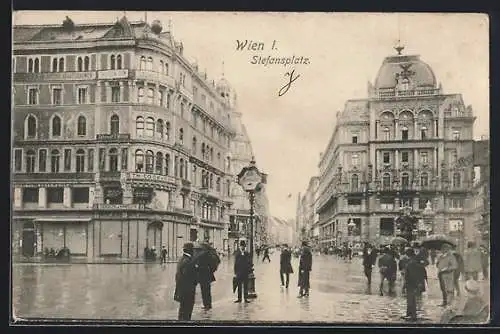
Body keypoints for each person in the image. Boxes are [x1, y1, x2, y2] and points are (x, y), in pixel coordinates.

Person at [174, 243, 197, 321]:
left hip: (182, 289)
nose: (194, 251)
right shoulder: (189, 261)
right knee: (187, 311)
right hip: (188, 290)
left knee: (182, 310)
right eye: (193, 250)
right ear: (190, 250)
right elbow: (189, 276)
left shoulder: (181, 259)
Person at [403, 248, 426, 321]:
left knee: (411, 300)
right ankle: (409, 314)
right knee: (412, 299)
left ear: (408, 255)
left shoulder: (410, 263)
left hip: (411, 284)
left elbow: (409, 276)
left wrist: (404, 286)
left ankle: (413, 315)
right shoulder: (417, 261)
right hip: (417, 283)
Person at [196, 241, 220, 310]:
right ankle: (208, 304)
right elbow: (214, 264)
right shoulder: (209, 253)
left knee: (204, 290)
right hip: (208, 274)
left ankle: (206, 305)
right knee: (207, 290)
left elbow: (199, 263)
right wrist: (211, 271)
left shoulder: (204, 254)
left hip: (203, 274)